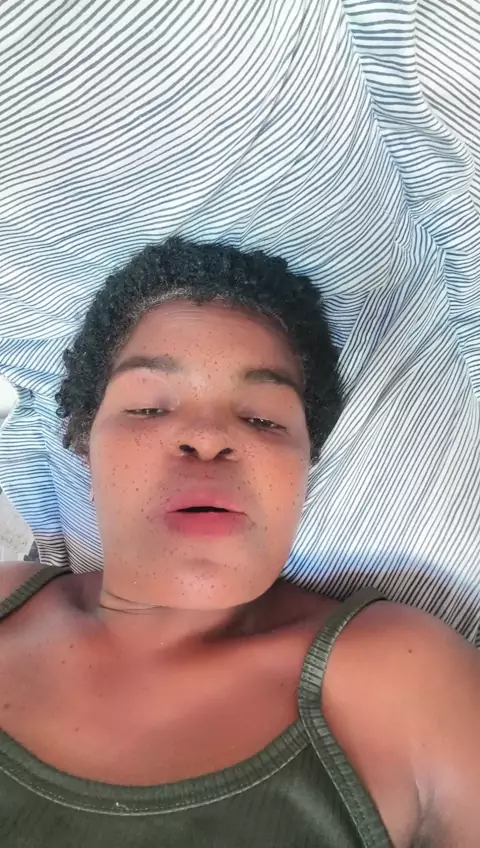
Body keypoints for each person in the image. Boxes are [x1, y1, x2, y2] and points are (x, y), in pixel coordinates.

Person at [0, 238, 478, 847]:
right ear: (83, 445)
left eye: (262, 419)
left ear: (304, 470)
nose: (207, 437)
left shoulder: (408, 681)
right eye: (148, 408)